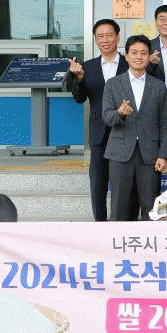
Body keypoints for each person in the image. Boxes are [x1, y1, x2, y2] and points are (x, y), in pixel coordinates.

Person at [67, 19, 133, 222]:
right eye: (101, 36)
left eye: (109, 35)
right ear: (95, 40)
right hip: (99, 133)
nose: (105, 40)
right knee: (98, 183)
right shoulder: (87, 67)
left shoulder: (130, 63)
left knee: (124, 183)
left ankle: (123, 223)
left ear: (118, 37)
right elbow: (79, 98)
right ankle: (100, 224)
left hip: (126, 130)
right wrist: (78, 78)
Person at [102, 35, 167, 221]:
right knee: (119, 206)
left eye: (143, 53)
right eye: (134, 53)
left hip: (150, 154)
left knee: (150, 206)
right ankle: (117, 240)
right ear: (126, 56)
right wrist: (120, 114)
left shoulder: (158, 86)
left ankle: (149, 240)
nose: (139, 57)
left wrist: (163, 155)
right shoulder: (113, 84)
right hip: (120, 153)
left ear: (149, 56)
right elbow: (106, 117)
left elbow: (164, 123)